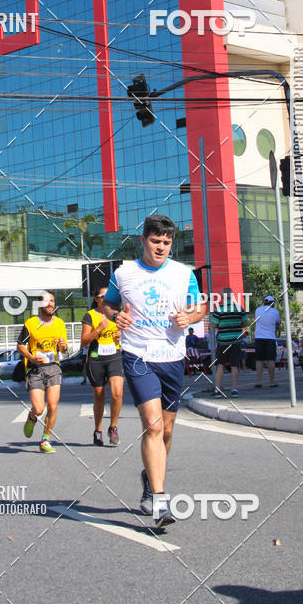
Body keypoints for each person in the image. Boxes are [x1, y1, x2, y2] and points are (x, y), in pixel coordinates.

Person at [102, 214, 206, 528]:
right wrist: (115, 316)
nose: (161, 247)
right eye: (155, 241)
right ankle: (161, 502)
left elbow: (199, 307)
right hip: (137, 355)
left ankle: (149, 478)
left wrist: (190, 318)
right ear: (143, 240)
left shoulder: (183, 273)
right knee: (153, 424)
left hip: (172, 357)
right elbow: (108, 305)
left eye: (166, 242)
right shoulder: (124, 273)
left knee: (168, 431)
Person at [17, 292, 68, 453]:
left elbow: (64, 349)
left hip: (53, 367)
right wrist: (31, 357)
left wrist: (63, 345)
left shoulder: (59, 323)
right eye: (46, 301)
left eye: (52, 301)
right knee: (39, 409)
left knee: (53, 407)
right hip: (35, 369)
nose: (50, 304)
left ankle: (45, 440)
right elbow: (20, 345)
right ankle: (32, 417)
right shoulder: (31, 323)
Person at [80, 287, 124, 446]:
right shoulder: (90, 315)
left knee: (117, 393)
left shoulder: (117, 313)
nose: (106, 299)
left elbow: (129, 330)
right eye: (102, 296)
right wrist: (98, 329)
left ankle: (113, 427)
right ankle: (97, 430)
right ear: (97, 299)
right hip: (96, 358)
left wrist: (122, 334)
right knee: (99, 398)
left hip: (114, 356)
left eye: (109, 296)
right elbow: (84, 341)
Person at [211, 288, 248, 397]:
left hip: (223, 341)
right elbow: (245, 323)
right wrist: (236, 326)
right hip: (236, 341)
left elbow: (214, 325)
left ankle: (217, 389)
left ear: (222, 297)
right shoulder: (239, 308)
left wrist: (223, 326)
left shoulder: (219, 309)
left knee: (220, 365)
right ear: (232, 296)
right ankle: (234, 389)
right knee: (234, 364)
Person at [254, 295, 280, 388]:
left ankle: (259, 382)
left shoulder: (258, 310)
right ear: (272, 303)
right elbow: (277, 324)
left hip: (259, 338)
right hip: (270, 338)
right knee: (271, 360)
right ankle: (272, 382)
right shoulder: (275, 312)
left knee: (259, 360)